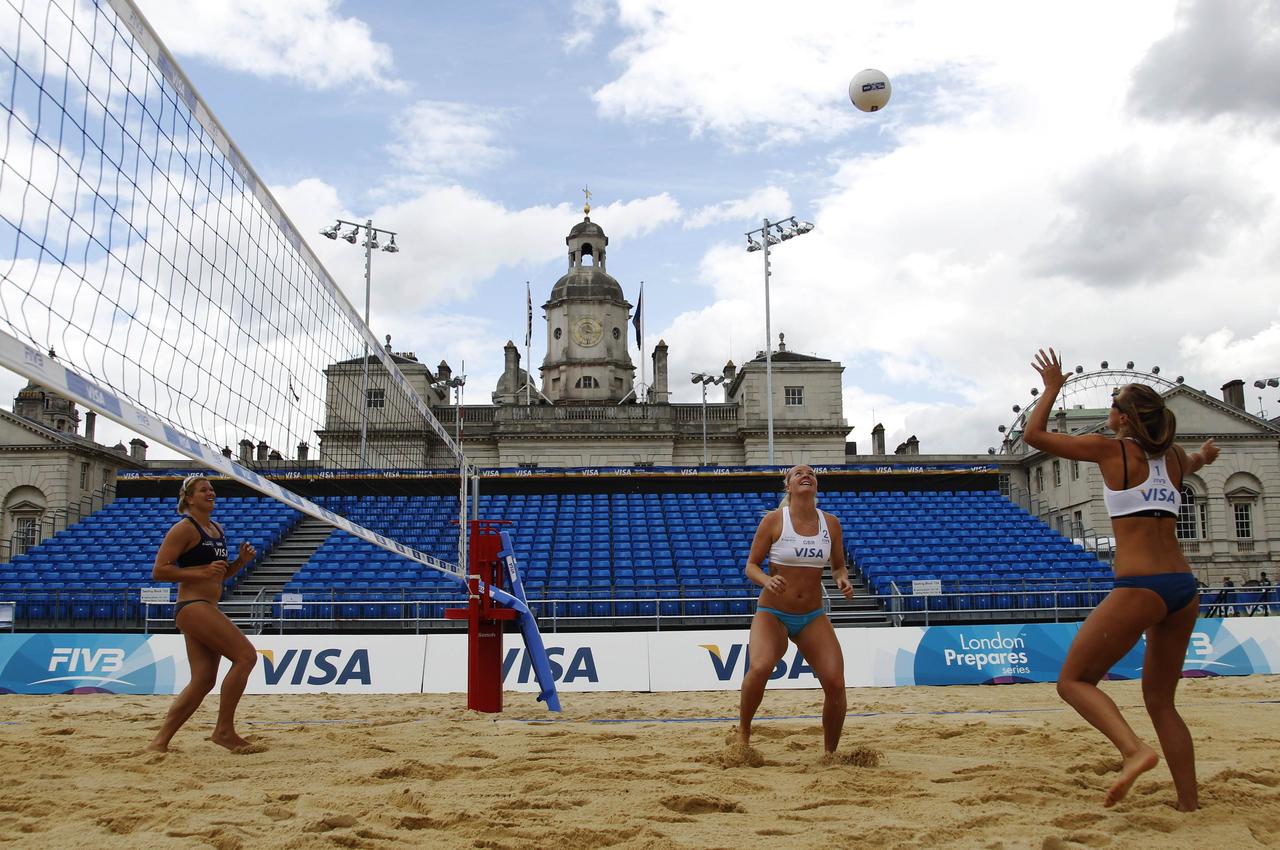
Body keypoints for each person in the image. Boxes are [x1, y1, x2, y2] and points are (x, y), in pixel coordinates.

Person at [1024, 348, 1218, 811]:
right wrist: (1205, 456)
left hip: (1141, 587)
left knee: (1073, 682)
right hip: (1183, 589)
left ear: (1126, 419)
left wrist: (1052, 387)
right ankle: (1189, 805)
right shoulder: (1171, 458)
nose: (1109, 410)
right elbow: (1191, 462)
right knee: (1162, 702)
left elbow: (1034, 434)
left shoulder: (1111, 450)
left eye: (1114, 403)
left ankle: (1134, 751)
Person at [738, 464, 854, 756]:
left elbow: (838, 565)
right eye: (798, 474)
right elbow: (751, 566)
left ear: (816, 486)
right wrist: (766, 579)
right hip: (773, 613)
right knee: (761, 667)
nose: (806, 475)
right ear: (788, 487)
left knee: (836, 682)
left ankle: (830, 755)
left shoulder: (831, 523)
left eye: (811, 474)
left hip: (811, 616)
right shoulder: (774, 521)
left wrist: (842, 579)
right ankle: (743, 734)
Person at [146, 475, 259, 753]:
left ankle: (159, 743)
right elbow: (160, 571)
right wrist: (200, 572)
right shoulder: (184, 528)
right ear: (189, 498)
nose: (211, 492)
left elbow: (219, 575)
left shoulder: (217, 529)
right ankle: (224, 730)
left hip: (206, 605)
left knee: (204, 680)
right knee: (246, 656)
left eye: (212, 489)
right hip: (193, 606)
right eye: (203, 490)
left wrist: (239, 563)